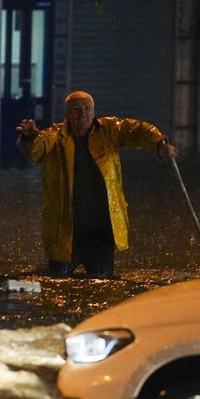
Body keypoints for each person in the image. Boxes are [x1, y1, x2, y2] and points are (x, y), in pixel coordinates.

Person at [16, 91, 178, 278]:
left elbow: (137, 130)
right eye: (76, 110)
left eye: (87, 109)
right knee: (58, 278)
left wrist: (159, 144)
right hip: (67, 230)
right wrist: (29, 137)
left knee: (103, 281)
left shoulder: (109, 130)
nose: (82, 114)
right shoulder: (54, 136)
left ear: (94, 112)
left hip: (101, 228)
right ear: (67, 114)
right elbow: (35, 149)